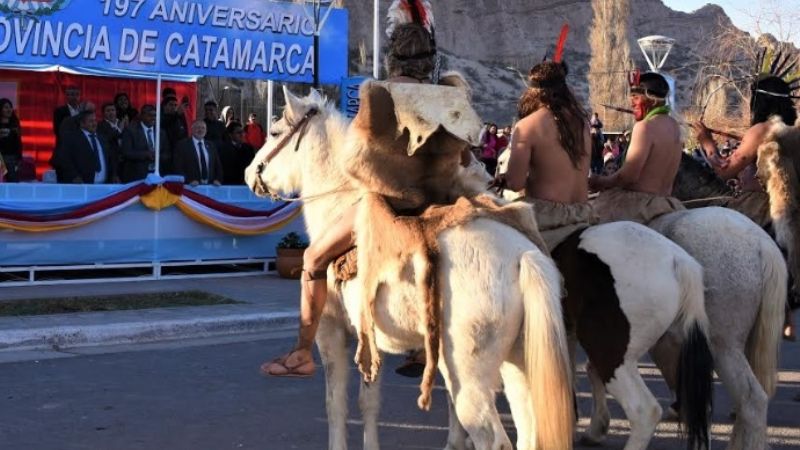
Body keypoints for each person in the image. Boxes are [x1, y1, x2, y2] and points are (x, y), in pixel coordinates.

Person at [260, 1, 471, 378]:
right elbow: (466, 156)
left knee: (312, 258)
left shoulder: (377, 94)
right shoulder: (450, 95)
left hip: (390, 202)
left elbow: (356, 160)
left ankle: (302, 352)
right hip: (442, 199)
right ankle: (421, 345)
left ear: (393, 59)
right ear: (429, 61)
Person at [693, 57, 799, 342]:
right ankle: (785, 313)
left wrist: (706, 141)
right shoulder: (793, 131)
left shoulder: (759, 131)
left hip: (760, 207)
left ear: (759, 102)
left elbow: (724, 170)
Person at [501, 61, 596, 251]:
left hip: (545, 217)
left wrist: (506, 179)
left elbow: (516, 184)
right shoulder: (582, 123)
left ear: (534, 92)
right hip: (582, 212)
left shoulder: (527, 125)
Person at [588, 72, 685, 224]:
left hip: (639, 207)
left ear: (651, 99)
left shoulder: (644, 127)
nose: (631, 103)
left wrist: (600, 181)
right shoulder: (674, 126)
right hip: (666, 203)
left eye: (636, 97)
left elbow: (627, 177)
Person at [53, 110, 118, 184]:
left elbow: (110, 159)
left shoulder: (102, 139)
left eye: (95, 120)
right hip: (82, 185)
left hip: (104, 186)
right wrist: (74, 176)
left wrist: (114, 175)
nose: (94, 124)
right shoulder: (72, 139)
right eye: (91, 121)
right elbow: (65, 160)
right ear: (82, 124)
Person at [120, 105, 170, 182]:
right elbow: (126, 152)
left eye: (155, 115)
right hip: (136, 176)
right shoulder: (130, 131)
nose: (153, 118)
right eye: (150, 115)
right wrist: (146, 154)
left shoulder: (161, 132)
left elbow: (167, 153)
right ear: (142, 116)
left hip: (157, 174)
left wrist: (157, 156)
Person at [174, 120, 223, 186]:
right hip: (191, 186)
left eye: (203, 128)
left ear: (206, 130)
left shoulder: (211, 145)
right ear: (192, 129)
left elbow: (218, 166)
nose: (200, 130)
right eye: (198, 127)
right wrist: (188, 181)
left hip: (210, 186)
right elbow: (178, 167)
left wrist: (218, 179)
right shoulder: (182, 145)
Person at [160, 96, 188, 173]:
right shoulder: (160, 117)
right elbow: (164, 124)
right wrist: (177, 114)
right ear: (164, 106)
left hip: (178, 152)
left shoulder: (179, 117)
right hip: (165, 154)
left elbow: (184, 132)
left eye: (175, 105)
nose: (174, 107)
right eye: (171, 104)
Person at [96, 103, 123, 179]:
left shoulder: (121, 123)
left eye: (112, 110)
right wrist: (120, 129)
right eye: (108, 111)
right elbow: (107, 139)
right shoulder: (100, 125)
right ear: (103, 113)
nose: (111, 112)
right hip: (111, 161)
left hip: (124, 160)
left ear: (116, 111)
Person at [0, 98, 22, 182]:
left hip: (11, 158)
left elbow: (18, 142)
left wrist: (19, 158)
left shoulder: (15, 123)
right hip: (0, 157)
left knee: (12, 180)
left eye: (10, 107)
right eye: (6, 107)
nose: (9, 110)